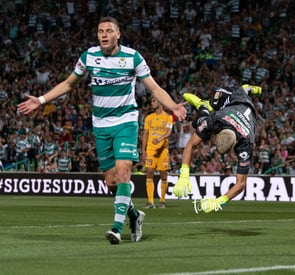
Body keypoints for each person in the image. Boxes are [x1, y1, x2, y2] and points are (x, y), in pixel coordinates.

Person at [17, 16, 187, 244]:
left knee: (124, 171)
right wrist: (41, 99)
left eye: (109, 31)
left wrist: (173, 105)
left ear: (118, 35)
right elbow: (68, 84)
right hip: (100, 125)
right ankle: (135, 216)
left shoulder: (132, 57)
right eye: (100, 31)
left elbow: (154, 87)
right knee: (111, 181)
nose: (104, 34)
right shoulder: (89, 57)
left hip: (126, 122)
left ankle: (117, 228)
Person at [173, 85, 258, 213]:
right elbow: (191, 144)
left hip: (237, 101)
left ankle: (204, 106)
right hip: (228, 100)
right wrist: (184, 175)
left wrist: (219, 201)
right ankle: (204, 105)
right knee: (198, 122)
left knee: (200, 122)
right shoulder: (216, 119)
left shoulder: (246, 143)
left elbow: (241, 184)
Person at [141, 97, 173, 209]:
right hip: (150, 150)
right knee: (149, 173)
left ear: (160, 102)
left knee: (163, 176)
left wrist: (160, 139)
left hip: (163, 151)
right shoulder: (149, 118)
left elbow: (169, 133)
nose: (152, 103)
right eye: (151, 101)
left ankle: (162, 201)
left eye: (154, 101)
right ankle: (150, 201)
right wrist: (143, 150)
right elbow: (145, 134)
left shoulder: (168, 117)